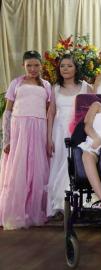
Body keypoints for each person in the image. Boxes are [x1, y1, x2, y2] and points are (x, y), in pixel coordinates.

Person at [0, 51, 52, 230]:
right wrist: (6, 140)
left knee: (36, 171)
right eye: (29, 65)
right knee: (19, 169)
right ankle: (16, 212)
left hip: (39, 129)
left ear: (41, 66)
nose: (32, 69)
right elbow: (7, 113)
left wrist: (48, 138)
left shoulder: (46, 86)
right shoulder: (16, 83)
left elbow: (49, 112)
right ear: (24, 66)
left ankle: (34, 210)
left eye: (36, 65)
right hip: (19, 129)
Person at [46, 54, 93, 218]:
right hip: (59, 131)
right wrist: (48, 138)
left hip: (78, 131)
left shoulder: (86, 87)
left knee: (75, 164)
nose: (65, 69)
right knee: (60, 164)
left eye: (69, 66)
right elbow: (51, 113)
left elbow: (93, 111)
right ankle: (60, 204)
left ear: (76, 69)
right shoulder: (55, 88)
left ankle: (79, 203)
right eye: (62, 66)